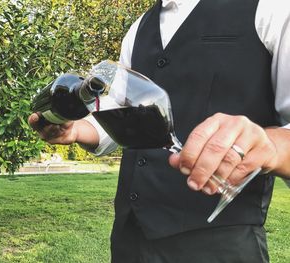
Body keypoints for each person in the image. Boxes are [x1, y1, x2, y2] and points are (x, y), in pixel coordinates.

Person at [29, 0, 290, 262]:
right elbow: (120, 110)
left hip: (220, 244)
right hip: (129, 238)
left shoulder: (272, 9)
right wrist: (76, 130)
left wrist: (271, 146)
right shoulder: (139, 28)